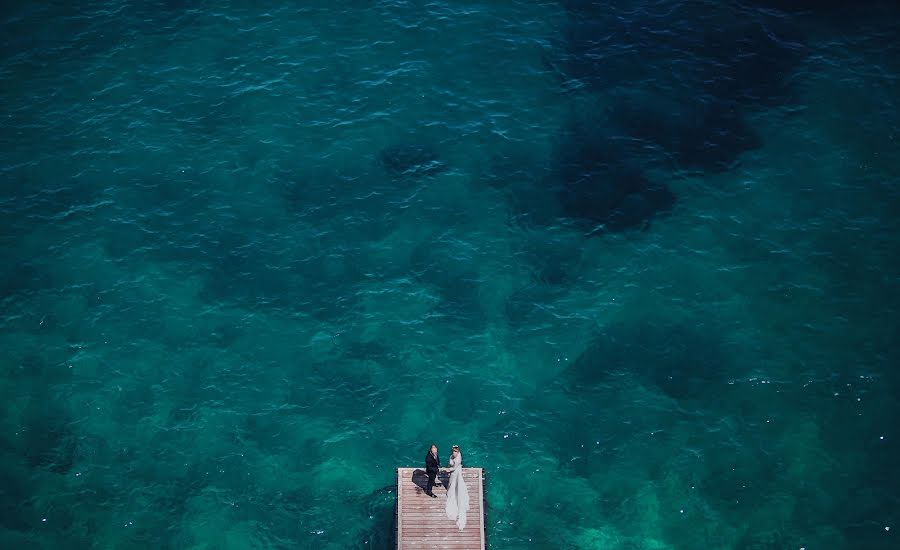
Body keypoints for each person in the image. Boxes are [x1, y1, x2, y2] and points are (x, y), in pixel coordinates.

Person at [443, 444, 469, 530]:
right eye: (453, 451)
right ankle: (452, 490)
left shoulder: (457, 459)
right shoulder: (452, 456)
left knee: (452, 482)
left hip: (455, 473)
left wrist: (447, 470)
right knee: (453, 483)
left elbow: (453, 468)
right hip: (455, 471)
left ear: (458, 451)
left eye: (455, 451)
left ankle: (452, 492)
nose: (454, 453)